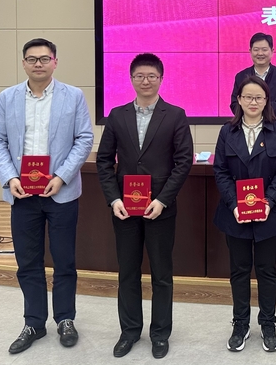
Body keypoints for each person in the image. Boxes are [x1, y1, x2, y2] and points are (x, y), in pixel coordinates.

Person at [0, 38, 93, 354]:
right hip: (22, 193)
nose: (38, 64)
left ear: (55, 62)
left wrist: (61, 176)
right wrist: (10, 177)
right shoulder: (8, 97)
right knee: (27, 262)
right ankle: (34, 322)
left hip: (61, 191)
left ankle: (65, 319)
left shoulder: (73, 96)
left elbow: (84, 138)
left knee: (64, 260)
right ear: (23, 63)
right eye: (32, 59)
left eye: (44, 58)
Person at [96, 53, 193, 360]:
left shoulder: (175, 115)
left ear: (161, 79)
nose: (146, 81)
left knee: (162, 274)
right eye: (139, 76)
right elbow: (103, 160)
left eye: (151, 76)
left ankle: (160, 333)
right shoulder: (117, 115)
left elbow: (183, 162)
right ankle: (129, 331)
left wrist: (163, 200)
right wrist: (114, 199)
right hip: (124, 209)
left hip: (160, 207)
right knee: (127, 272)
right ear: (131, 79)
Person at [214, 76, 276, 353]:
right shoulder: (227, 131)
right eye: (247, 97)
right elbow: (220, 171)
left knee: (267, 270)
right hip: (234, 213)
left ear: (266, 100)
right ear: (238, 99)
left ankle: (268, 324)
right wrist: (234, 204)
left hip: (270, 214)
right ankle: (240, 324)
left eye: (258, 97)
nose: (253, 102)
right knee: (239, 271)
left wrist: (269, 202)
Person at [230, 32, 276, 121]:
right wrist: (253, 112)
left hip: (274, 125)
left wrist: (259, 107)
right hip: (247, 124)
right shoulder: (241, 76)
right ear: (250, 51)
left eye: (264, 49)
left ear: (272, 51)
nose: (260, 53)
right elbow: (234, 104)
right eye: (256, 50)